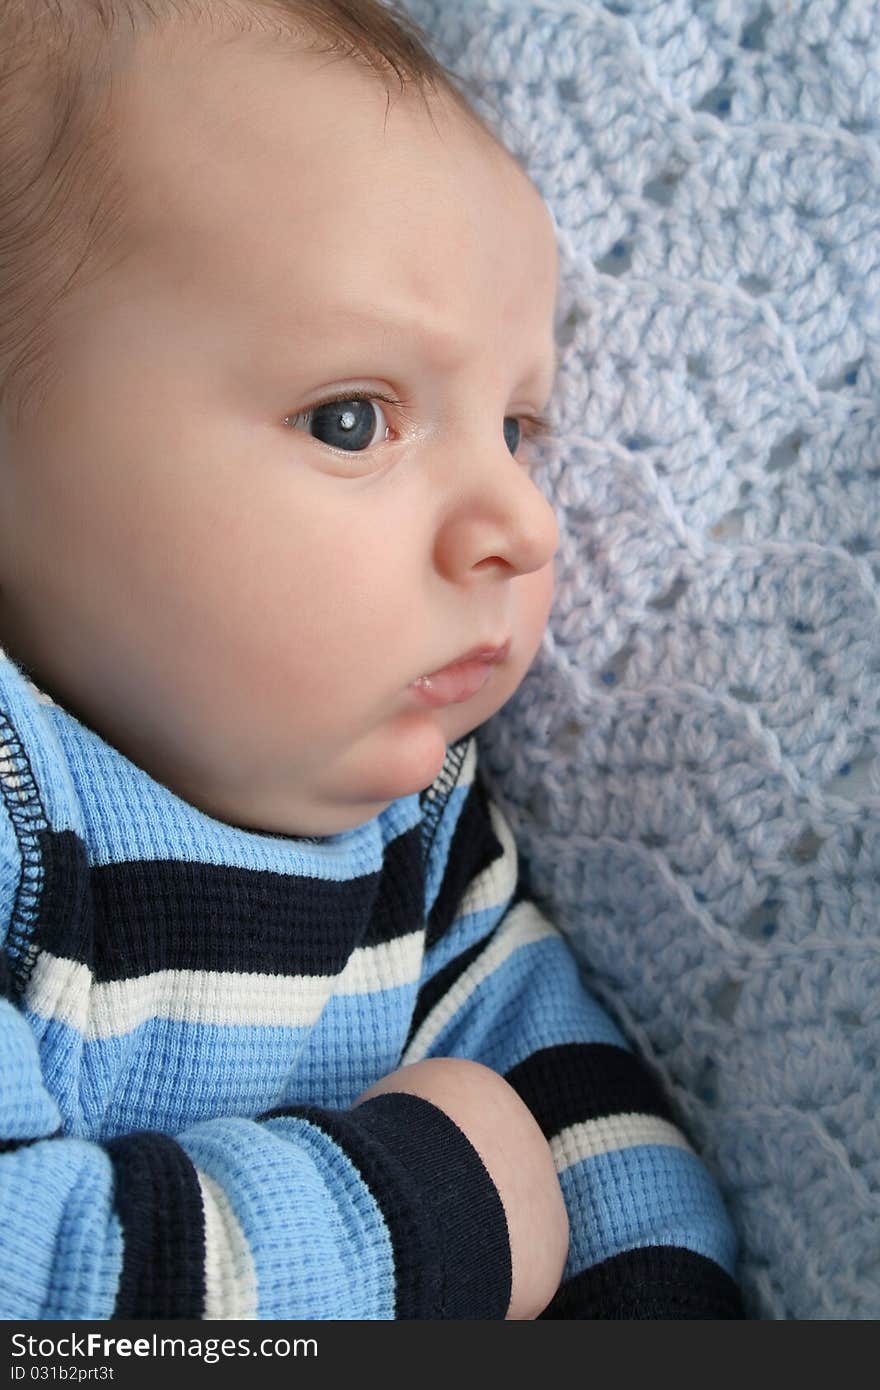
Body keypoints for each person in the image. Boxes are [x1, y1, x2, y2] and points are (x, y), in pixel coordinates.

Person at [0, 0, 744, 1320]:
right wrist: (425, 1210)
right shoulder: (23, 811)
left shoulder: (428, 845)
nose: (522, 522)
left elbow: (602, 1155)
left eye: (517, 429)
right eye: (355, 417)